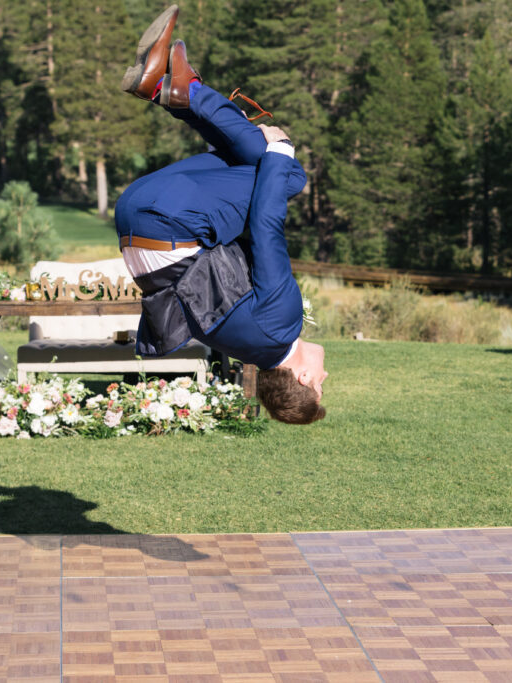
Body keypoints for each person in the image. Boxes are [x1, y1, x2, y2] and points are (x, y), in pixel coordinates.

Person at [115, 5, 327, 424]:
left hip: (170, 217)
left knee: (286, 174)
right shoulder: (244, 346)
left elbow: (267, 228)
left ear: (302, 377)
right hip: (135, 217)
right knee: (259, 163)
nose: (325, 375)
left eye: (322, 383)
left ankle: (179, 89)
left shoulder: (281, 325)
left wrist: (282, 152)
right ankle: (174, 88)